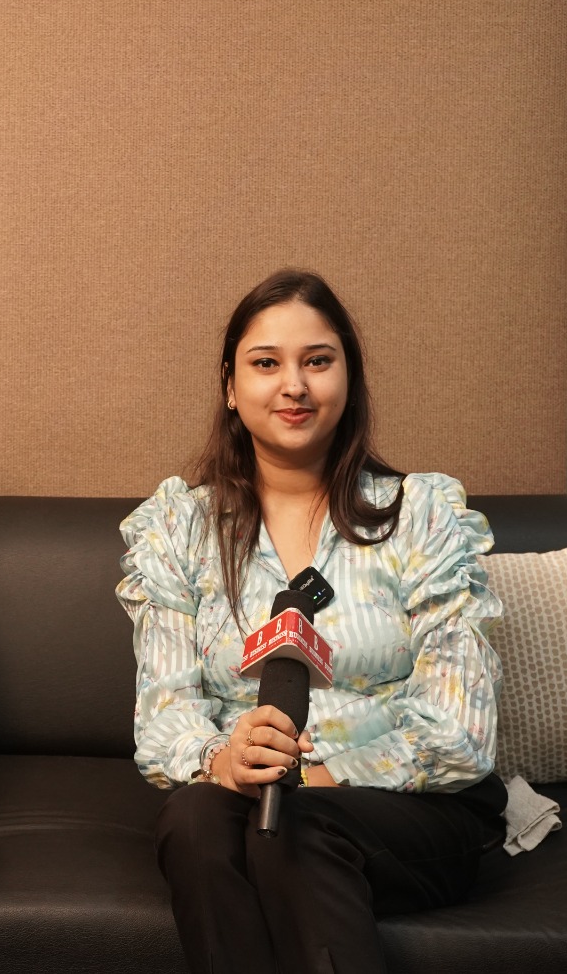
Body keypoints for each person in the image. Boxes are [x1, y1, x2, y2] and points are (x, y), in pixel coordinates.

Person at [117, 269, 505, 974]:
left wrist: (314, 774)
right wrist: (224, 762)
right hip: (248, 797)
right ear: (231, 389)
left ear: (348, 379)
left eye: (317, 362)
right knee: (196, 821)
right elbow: (164, 718)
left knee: (288, 830)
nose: (293, 385)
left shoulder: (423, 515)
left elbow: (462, 731)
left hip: (411, 812)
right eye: (266, 364)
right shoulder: (177, 528)